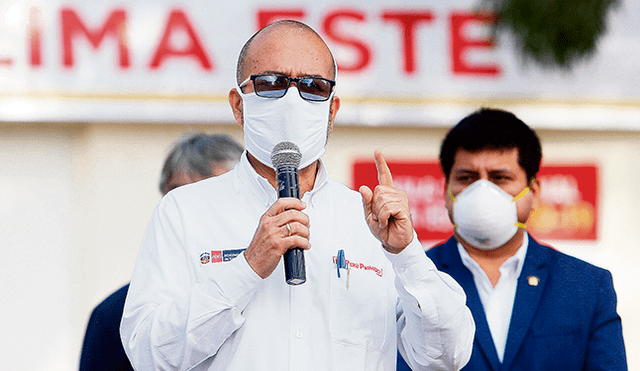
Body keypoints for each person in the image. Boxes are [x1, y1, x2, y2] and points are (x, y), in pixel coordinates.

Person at [120, 20, 474, 371]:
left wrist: (406, 254)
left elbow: (446, 357)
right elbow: (149, 355)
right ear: (238, 105)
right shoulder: (184, 211)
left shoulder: (367, 222)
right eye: (271, 83)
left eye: (313, 86)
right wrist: (246, 269)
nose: (292, 100)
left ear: (332, 110)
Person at [398, 107, 627, 370]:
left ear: (534, 192)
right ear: (446, 191)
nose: (482, 191)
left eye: (500, 178)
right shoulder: (412, 282)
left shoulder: (586, 286)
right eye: (466, 178)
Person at [79, 133, 244, 371]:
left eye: (213, 194)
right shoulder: (113, 316)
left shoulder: (283, 293)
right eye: (180, 197)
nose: (194, 213)